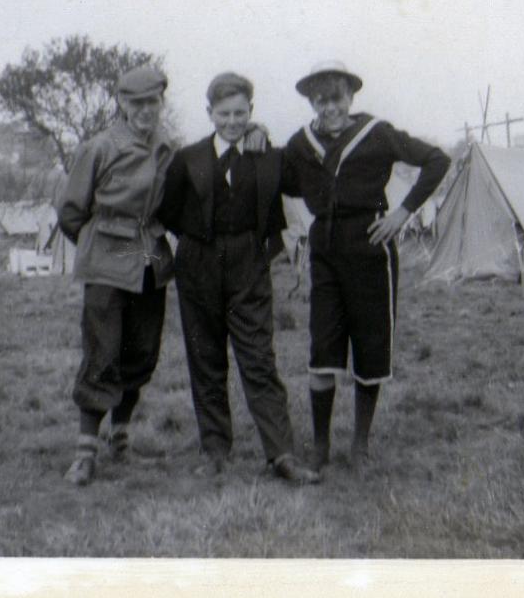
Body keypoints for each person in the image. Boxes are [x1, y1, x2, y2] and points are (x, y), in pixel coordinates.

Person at [281, 60, 450, 473]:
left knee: (370, 349)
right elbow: (284, 181)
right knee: (323, 349)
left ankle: (360, 444)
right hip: (326, 247)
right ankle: (320, 446)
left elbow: (436, 160)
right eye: (320, 100)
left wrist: (401, 214)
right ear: (310, 102)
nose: (329, 108)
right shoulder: (300, 144)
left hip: (371, 245)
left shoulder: (377, 133)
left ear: (351, 97)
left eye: (336, 98)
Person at [159, 72, 320, 485]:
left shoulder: (268, 155)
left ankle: (281, 454)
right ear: (209, 113)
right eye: (224, 113)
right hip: (198, 264)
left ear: (252, 112)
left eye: (241, 113)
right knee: (206, 360)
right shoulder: (187, 158)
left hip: (250, 263)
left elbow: (306, 177)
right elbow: (167, 212)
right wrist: (196, 248)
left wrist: (265, 134)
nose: (232, 121)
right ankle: (215, 451)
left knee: (259, 360)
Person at [56, 65, 175, 487]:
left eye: (153, 102)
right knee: (102, 353)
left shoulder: (166, 147)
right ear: (122, 104)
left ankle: (120, 441)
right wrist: (97, 248)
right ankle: (85, 454)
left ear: (162, 101)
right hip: (108, 258)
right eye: (136, 102)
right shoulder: (100, 147)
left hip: (148, 256)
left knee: (142, 351)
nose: (145, 110)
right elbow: (72, 211)